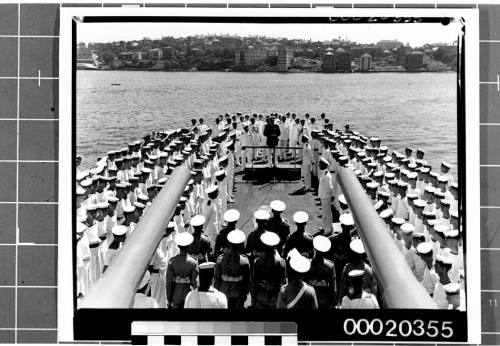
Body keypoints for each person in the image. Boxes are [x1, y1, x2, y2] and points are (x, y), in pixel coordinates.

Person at [214, 229, 251, 309]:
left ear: (229, 244)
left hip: (224, 292)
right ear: (240, 245)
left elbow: (217, 279)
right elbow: (247, 282)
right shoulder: (245, 261)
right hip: (239, 293)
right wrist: (244, 295)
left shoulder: (221, 259)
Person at [251, 231, 287, 309]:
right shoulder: (281, 262)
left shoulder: (257, 261)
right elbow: (282, 284)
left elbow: (254, 284)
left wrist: (253, 301)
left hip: (260, 298)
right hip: (274, 299)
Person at [166, 232, 199, 309]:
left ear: (178, 246)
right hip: (188, 293)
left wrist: (169, 299)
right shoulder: (193, 262)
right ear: (189, 246)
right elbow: (195, 283)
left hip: (176, 294)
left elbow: (169, 283)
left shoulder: (172, 261)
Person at [306, 235, 337, 309]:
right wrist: (332, 303)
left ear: (314, 249)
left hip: (309, 299)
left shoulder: (307, 264)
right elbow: (333, 288)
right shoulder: (330, 266)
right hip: (324, 300)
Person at [318, 158, 334, 234]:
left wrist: (328, 195)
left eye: (320, 164)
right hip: (323, 196)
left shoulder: (326, 175)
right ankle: (325, 226)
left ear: (323, 165)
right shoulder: (324, 173)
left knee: (327, 213)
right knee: (324, 213)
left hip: (326, 196)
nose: (319, 165)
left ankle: (328, 229)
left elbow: (329, 187)